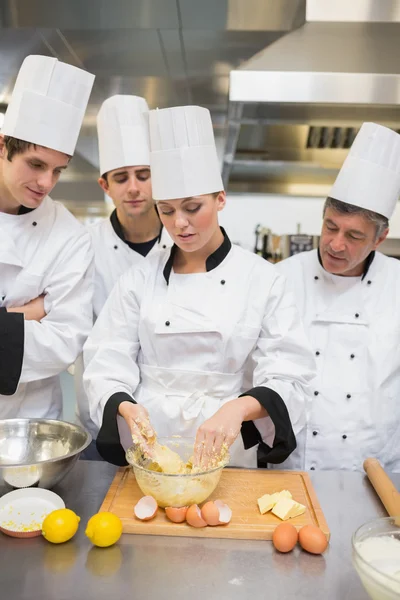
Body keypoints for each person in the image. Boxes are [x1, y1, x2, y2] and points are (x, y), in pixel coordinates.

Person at [83, 105, 315, 468]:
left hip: (230, 451)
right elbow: (105, 363)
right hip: (151, 452)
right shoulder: (138, 282)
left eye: (193, 207)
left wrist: (239, 407)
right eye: (167, 210)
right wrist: (125, 406)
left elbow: (290, 374)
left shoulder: (263, 280)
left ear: (220, 198)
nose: (180, 224)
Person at [276, 122, 400, 472]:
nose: (336, 244)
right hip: (292, 464)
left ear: (380, 238)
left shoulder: (397, 286)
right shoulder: (281, 279)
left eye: (354, 235)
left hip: (377, 468)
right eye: (330, 226)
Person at [75, 95, 171, 452]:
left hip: (169, 422)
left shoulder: (185, 243)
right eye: (121, 177)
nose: (133, 187)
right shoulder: (84, 248)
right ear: (105, 185)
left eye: (143, 175)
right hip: (102, 418)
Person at [0, 55, 95, 418]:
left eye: (58, 170)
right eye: (36, 164)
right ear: (3, 145)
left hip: (31, 421)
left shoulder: (69, 236)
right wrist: (29, 313)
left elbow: (64, 341)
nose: (46, 183)